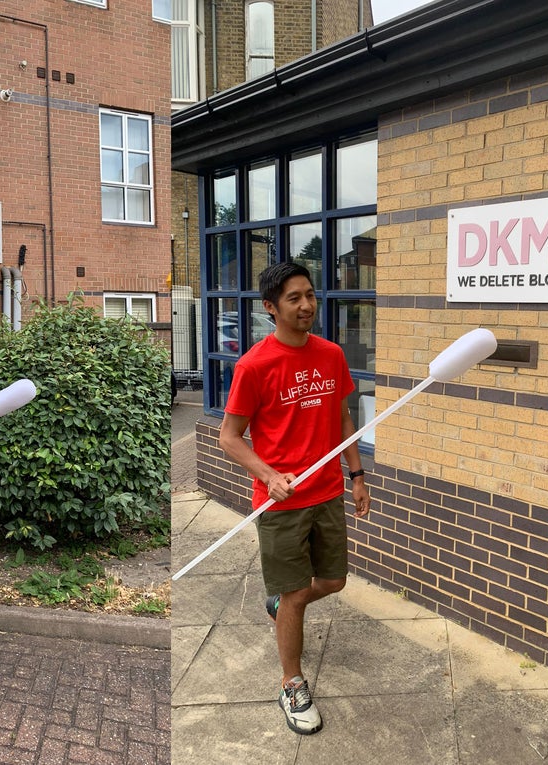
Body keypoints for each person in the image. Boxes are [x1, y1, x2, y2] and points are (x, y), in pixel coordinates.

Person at [218, 261, 371, 736]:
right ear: (271, 307)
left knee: (332, 582)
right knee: (294, 596)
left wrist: (358, 475)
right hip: (281, 502)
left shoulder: (330, 355)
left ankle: (283, 605)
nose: (307, 305)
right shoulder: (255, 365)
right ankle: (292, 682)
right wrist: (268, 473)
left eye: (310, 295)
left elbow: (344, 417)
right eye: (294, 298)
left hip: (327, 493)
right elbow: (229, 436)